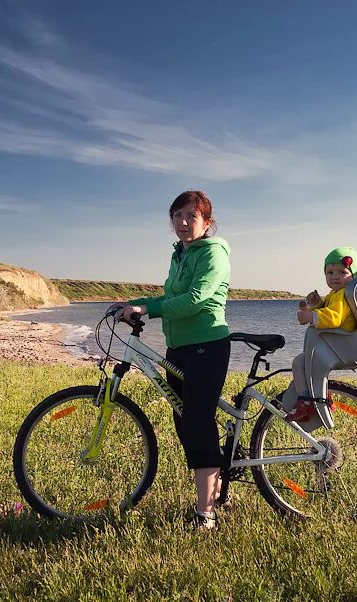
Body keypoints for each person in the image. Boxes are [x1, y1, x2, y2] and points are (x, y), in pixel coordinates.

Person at [115, 190, 230, 530]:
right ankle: (219, 493)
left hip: (207, 346)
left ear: (206, 223)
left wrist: (148, 308)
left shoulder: (214, 252)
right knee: (184, 423)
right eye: (177, 215)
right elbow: (170, 296)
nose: (182, 222)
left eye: (190, 216)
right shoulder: (179, 254)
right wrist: (130, 303)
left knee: (197, 424)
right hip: (178, 348)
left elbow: (195, 300)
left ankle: (205, 513)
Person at [286, 246, 357, 423]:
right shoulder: (335, 294)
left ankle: (306, 401)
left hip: (336, 346)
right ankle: (318, 398)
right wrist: (316, 303)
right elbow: (326, 307)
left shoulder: (343, 295)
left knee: (300, 363)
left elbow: (334, 317)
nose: (335, 276)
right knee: (303, 364)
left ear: (353, 275)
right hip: (333, 345)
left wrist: (310, 316)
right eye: (330, 272)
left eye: (342, 272)